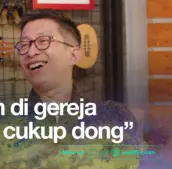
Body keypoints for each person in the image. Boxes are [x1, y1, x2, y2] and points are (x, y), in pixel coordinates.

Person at [15, 10, 170, 147]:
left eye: (43, 41)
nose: (31, 52)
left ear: (74, 54)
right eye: (24, 45)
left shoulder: (114, 118)